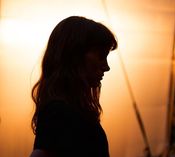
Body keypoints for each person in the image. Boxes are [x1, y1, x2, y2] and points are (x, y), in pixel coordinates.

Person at [29, 16, 117, 157]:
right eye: (101, 55)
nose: (106, 67)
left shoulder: (66, 111)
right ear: (75, 55)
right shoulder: (59, 113)